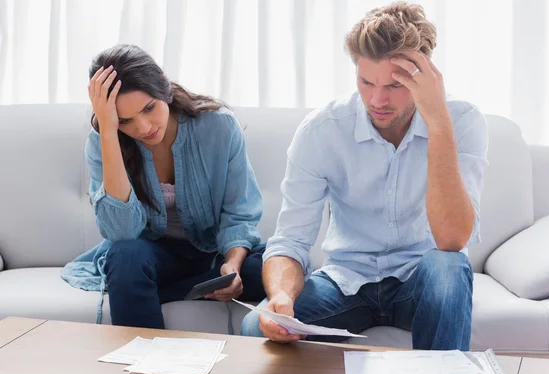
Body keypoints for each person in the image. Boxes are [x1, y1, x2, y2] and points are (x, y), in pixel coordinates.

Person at [240, 1, 488, 351]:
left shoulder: (461, 122)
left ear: (427, 75)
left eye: (396, 86)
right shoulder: (322, 130)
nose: (378, 99)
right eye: (366, 81)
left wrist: (438, 123)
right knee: (255, 326)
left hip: (421, 280)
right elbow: (291, 240)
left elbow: (452, 240)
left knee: (449, 266)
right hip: (345, 282)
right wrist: (280, 296)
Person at [61, 44, 266, 329]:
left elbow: (239, 212)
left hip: (212, 254)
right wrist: (109, 132)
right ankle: (146, 355)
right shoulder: (103, 142)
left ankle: (152, 293)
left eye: (149, 108)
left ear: (163, 89)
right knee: (124, 258)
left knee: (271, 265)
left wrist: (231, 265)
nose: (144, 127)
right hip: (152, 257)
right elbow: (121, 233)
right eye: (125, 120)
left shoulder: (218, 126)